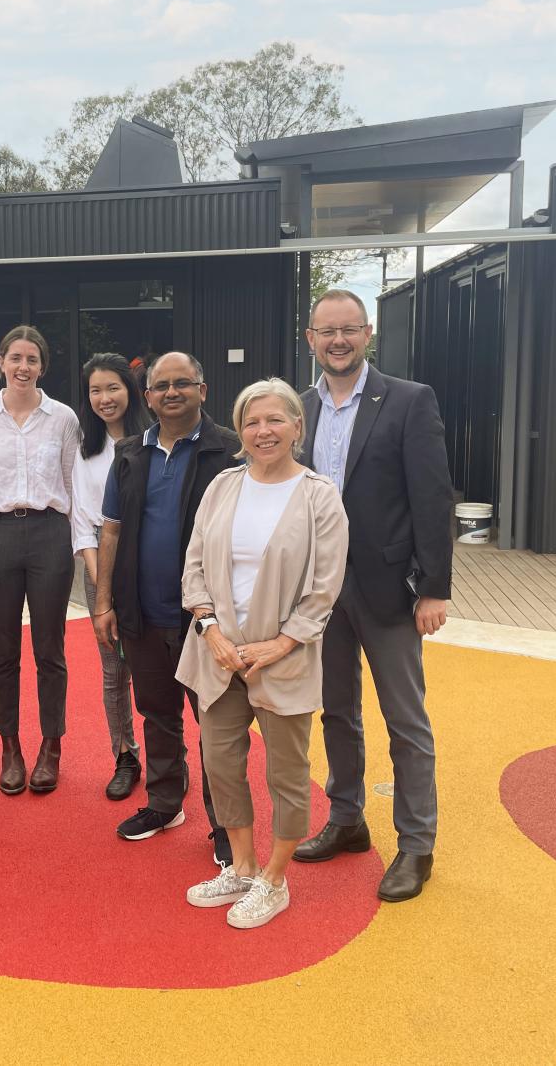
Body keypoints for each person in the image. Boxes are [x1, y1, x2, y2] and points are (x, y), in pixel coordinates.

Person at [293, 289, 454, 902]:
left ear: (368, 335)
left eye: (350, 329)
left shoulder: (409, 401)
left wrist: (434, 588)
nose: (338, 340)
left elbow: (433, 497)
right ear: (310, 338)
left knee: (405, 721)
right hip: (319, 590)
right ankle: (346, 818)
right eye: (326, 331)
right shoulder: (299, 406)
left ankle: (416, 844)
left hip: (388, 588)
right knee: (336, 710)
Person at [176, 379, 348, 929]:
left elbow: (325, 585)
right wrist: (210, 631)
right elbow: (195, 563)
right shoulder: (223, 486)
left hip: (285, 657)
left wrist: (283, 642)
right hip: (219, 655)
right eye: (252, 421)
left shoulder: (319, 496)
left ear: (298, 427)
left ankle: (275, 878)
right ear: (240, 429)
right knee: (220, 763)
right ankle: (243, 866)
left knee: (287, 772)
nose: (263, 431)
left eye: (275, 420)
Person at [92, 352, 238, 863]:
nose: (171, 392)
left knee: (215, 723)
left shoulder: (230, 452)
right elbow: (110, 528)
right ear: (147, 396)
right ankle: (163, 802)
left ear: (203, 389)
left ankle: (225, 824)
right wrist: (104, 600)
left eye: (183, 383)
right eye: (161, 386)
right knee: (157, 713)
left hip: (207, 619)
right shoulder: (130, 453)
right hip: (141, 612)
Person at [0, 326, 80, 794]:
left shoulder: (63, 417)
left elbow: (74, 483)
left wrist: (77, 542)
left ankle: (50, 746)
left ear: (42, 367)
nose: (23, 367)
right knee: (3, 652)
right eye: (15, 357)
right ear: (0, 361)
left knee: (50, 650)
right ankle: (10, 746)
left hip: (50, 532)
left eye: (32, 359)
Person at [72, 353, 151, 800]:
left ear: (131, 390)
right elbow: (82, 520)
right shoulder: (85, 448)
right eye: (95, 390)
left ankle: (166, 752)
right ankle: (125, 754)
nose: (105, 398)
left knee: (156, 667)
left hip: (151, 567)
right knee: (113, 670)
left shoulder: (154, 439)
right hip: (99, 565)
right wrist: (103, 586)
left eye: (113, 388)